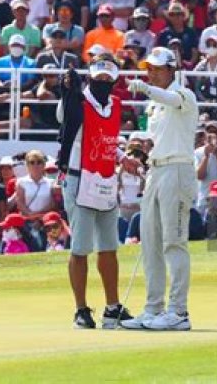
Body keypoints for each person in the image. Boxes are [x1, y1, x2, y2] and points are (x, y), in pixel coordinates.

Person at [57, 54, 139, 328]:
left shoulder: (114, 104)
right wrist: (69, 92)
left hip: (105, 179)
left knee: (109, 247)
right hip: (79, 178)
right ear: (90, 76)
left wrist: (122, 157)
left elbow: (106, 139)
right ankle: (81, 310)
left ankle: (112, 307)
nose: (103, 81)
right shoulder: (77, 101)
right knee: (80, 248)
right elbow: (64, 118)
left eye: (108, 78)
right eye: (99, 76)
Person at [122, 47, 199, 331]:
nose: (151, 73)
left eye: (156, 69)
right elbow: (157, 136)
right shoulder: (154, 104)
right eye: (148, 69)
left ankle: (178, 311)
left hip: (177, 170)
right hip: (155, 170)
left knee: (174, 241)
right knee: (150, 241)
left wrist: (145, 89)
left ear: (171, 70)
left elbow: (170, 99)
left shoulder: (183, 95)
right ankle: (153, 308)